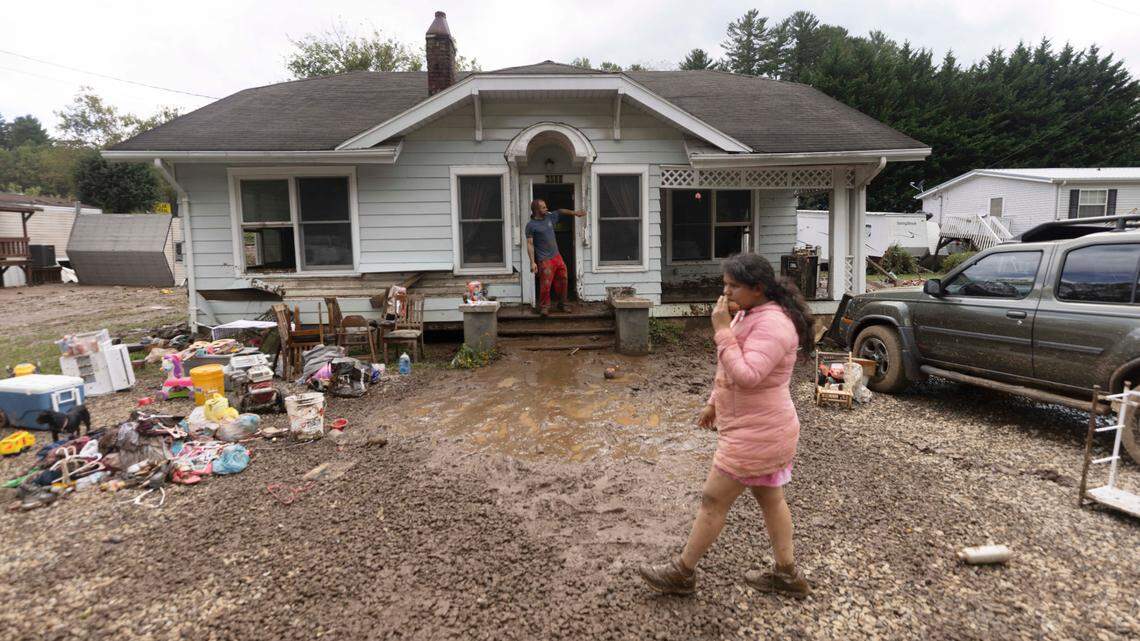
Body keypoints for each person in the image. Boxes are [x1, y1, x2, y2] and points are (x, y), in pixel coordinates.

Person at [638, 252, 816, 597]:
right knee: (771, 500)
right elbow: (728, 371)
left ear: (758, 288)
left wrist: (721, 330)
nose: (726, 293)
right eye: (725, 285)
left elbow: (747, 375)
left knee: (712, 500)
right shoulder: (749, 313)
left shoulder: (774, 324)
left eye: (733, 286)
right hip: (761, 429)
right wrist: (713, 403)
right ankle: (787, 576)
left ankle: (683, 573)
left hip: (758, 434)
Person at [525, 199, 586, 316]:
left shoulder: (549, 217)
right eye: (543, 207)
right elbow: (530, 244)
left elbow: (561, 211)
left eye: (546, 206)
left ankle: (563, 304)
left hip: (557, 256)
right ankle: (544, 307)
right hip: (545, 260)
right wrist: (532, 262)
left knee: (563, 280)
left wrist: (575, 213)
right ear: (536, 210)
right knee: (546, 284)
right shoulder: (531, 226)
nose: (546, 209)